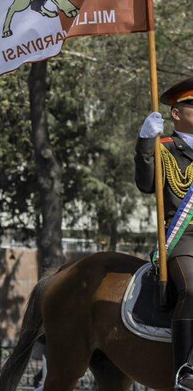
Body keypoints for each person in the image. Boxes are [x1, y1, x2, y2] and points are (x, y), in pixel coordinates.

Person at [136, 76, 193, 391]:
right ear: (176, 113)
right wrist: (146, 142)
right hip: (181, 235)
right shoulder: (165, 148)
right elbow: (146, 185)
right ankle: (186, 370)